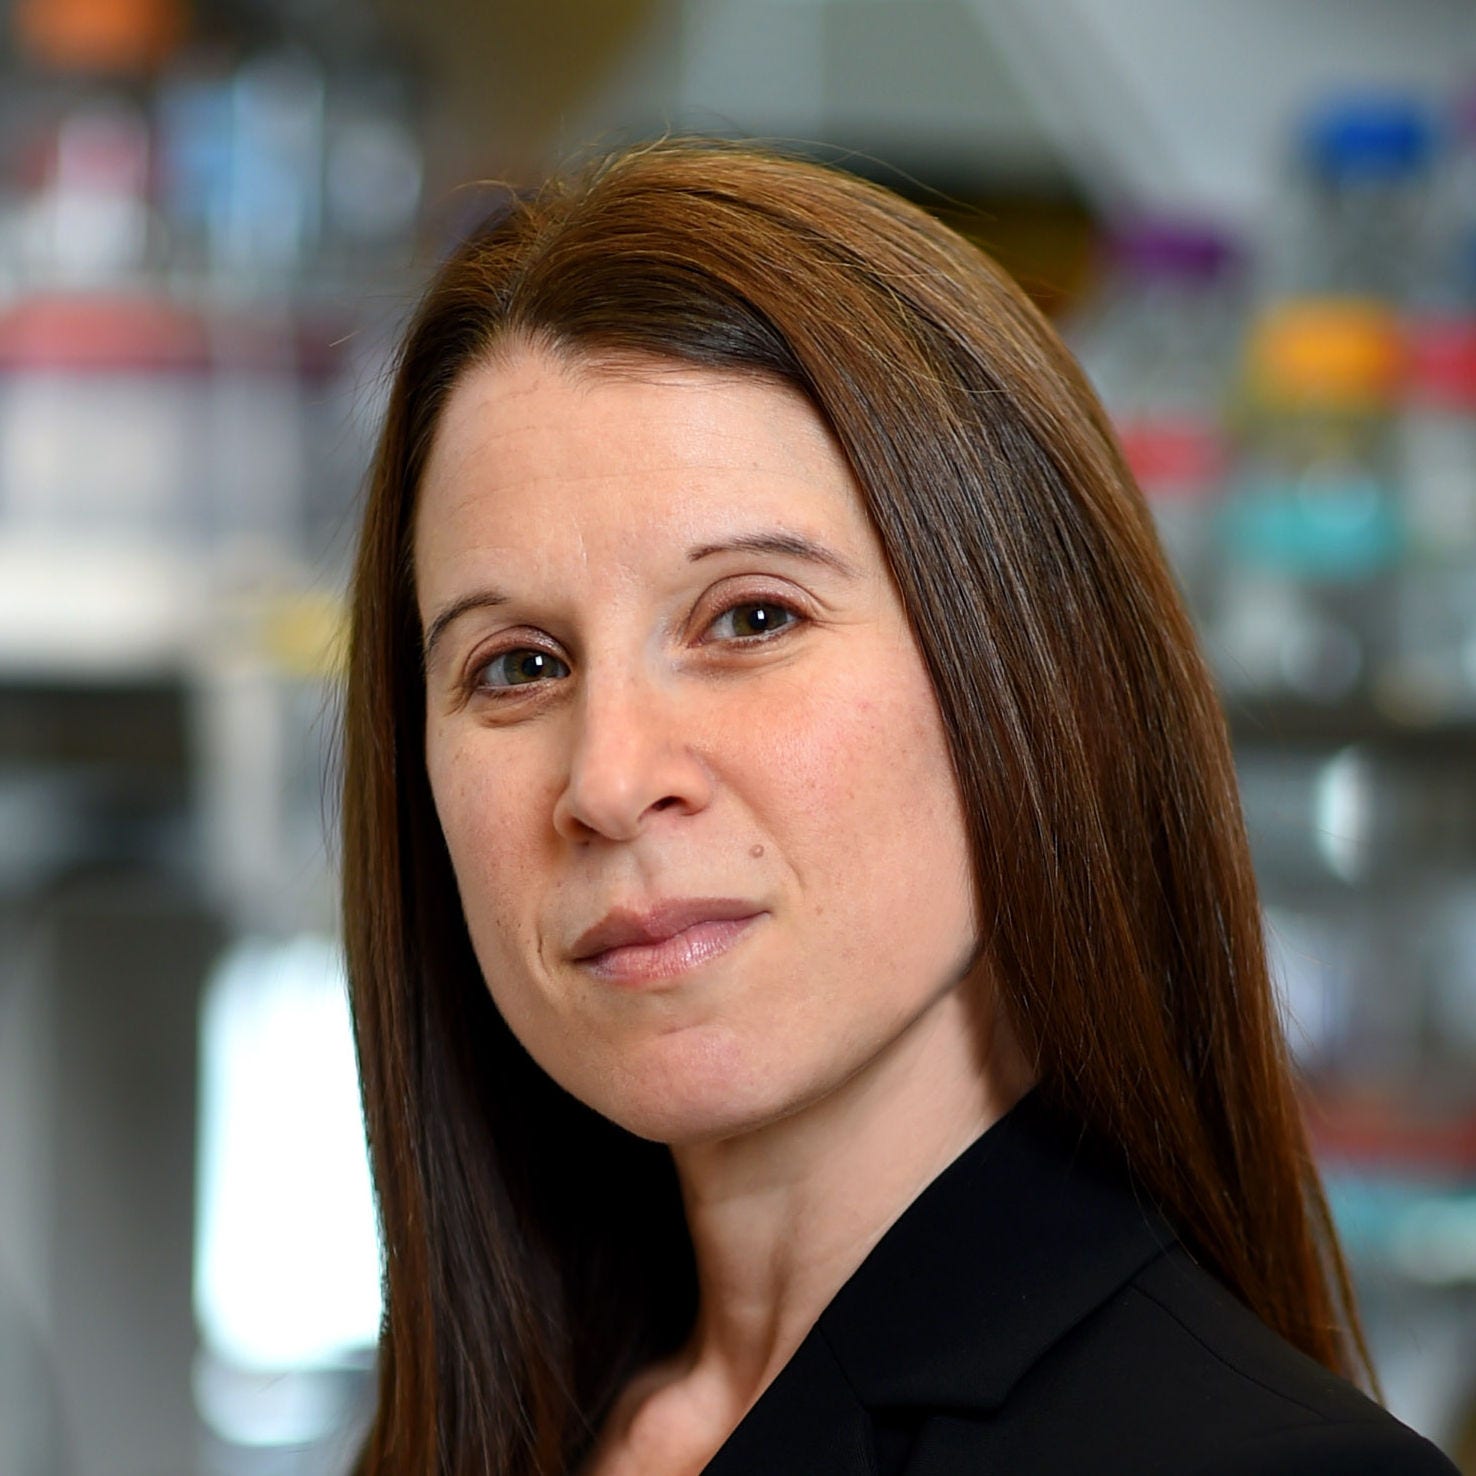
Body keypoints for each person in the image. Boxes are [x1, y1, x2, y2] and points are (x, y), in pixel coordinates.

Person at [339, 139, 1458, 1475]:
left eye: (752, 618)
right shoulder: (486, 1432)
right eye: (515, 665)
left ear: (1040, 687)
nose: (609, 779)